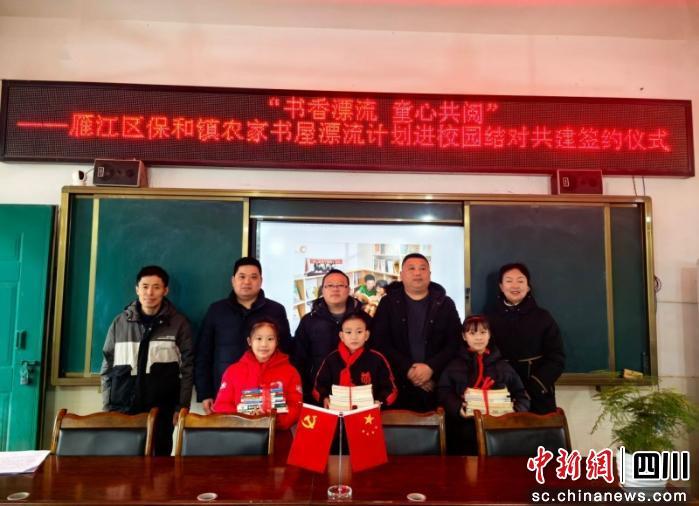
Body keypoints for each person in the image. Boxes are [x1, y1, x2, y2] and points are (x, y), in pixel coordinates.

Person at [100, 265, 193, 456]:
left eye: (156, 287)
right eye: (145, 286)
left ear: (165, 291)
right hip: (123, 409)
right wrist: (107, 407)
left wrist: (182, 406)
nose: (150, 293)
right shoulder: (119, 323)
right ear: (137, 289)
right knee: (123, 466)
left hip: (162, 410)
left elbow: (187, 369)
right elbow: (107, 367)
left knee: (159, 467)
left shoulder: (179, 324)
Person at [195, 257, 291, 414]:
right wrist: (205, 392)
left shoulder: (276, 310)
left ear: (261, 281)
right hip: (225, 393)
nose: (247, 282)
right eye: (242, 277)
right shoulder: (216, 310)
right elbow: (203, 353)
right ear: (233, 280)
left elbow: (286, 351)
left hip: (266, 397)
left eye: (253, 277)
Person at [372, 253, 462, 412]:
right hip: (397, 385)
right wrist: (408, 369)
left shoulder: (445, 303)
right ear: (401, 275)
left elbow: (454, 342)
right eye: (411, 268)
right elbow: (380, 342)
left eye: (422, 268)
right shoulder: (388, 303)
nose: (417, 273)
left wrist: (430, 368)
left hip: (437, 386)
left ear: (430, 274)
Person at [438, 314, 529, 454]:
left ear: (489, 335)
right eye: (472, 333)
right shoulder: (453, 366)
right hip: (462, 436)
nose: (478, 338)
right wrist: (458, 408)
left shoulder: (503, 367)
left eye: (483, 332)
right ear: (464, 336)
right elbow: (443, 392)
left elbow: (522, 395)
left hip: (499, 436)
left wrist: (515, 411)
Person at [486, 263, 565, 414]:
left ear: (528, 287)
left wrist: (533, 387)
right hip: (500, 393)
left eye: (520, 281)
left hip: (537, 393)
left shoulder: (543, 317)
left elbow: (557, 358)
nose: (515, 285)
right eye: (509, 281)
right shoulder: (489, 318)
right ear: (501, 287)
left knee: (538, 429)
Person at [212, 318, 302, 429]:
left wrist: (273, 420)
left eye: (270, 339)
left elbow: (296, 406)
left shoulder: (291, 372)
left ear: (277, 341)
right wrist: (244, 417)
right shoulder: (232, 371)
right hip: (240, 435)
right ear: (249, 341)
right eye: (259, 338)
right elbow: (220, 405)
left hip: (278, 436)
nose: (264, 344)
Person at [293, 269, 362, 404]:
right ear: (322, 290)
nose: (335, 289)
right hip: (317, 394)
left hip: (357, 395)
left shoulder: (363, 320)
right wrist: (306, 392)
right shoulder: (309, 321)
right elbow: (299, 359)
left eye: (340, 285)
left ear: (348, 290)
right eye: (329, 285)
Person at [312, 311, 398, 408]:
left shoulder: (377, 359)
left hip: (369, 413)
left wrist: (380, 401)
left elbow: (390, 389)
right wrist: (324, 398)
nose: (354, 337)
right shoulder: (331, 359)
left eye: (359, 332)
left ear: (366, 335)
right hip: (337, 411)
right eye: (348, 332)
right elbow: (319, 386)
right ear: (341, 336)